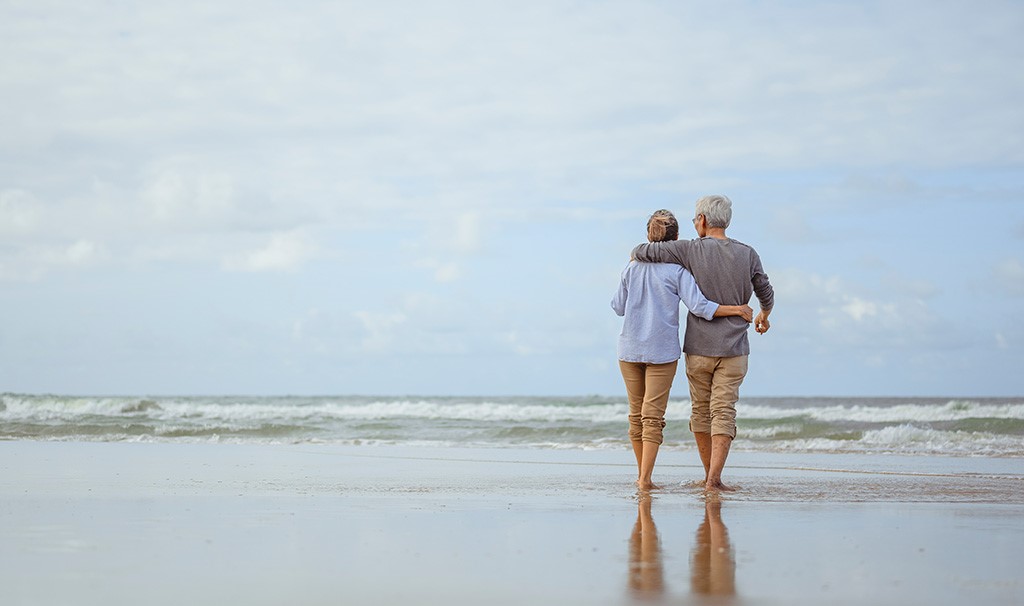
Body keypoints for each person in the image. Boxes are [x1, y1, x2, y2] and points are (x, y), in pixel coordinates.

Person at [631, 195, 774, 492]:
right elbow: (765, 289)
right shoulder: (748, 253)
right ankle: (714, 480)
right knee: (724, 411)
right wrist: (764, 314)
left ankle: (708, 474)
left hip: (698, 348)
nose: (696, 222)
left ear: (704, 221)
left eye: (696, 218)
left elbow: (642, 251)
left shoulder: (689, 250)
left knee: (701, 411)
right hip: (735, 349)